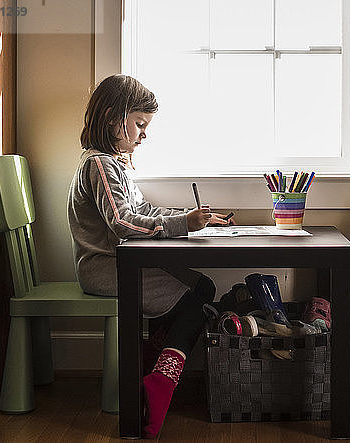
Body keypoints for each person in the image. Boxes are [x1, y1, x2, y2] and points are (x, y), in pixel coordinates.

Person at [67, 74, 233, 438]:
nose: (144, 134)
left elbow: (142, 208)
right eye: (140, 124)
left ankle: (153, 363)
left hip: (122, 264)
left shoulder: (118, 163)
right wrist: (182, 225)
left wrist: (192, 219)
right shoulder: (99, 165)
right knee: (195, 302)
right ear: (113, 118)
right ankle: (161, 381)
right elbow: (124, 222)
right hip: (105, 269)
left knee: (203, 285)